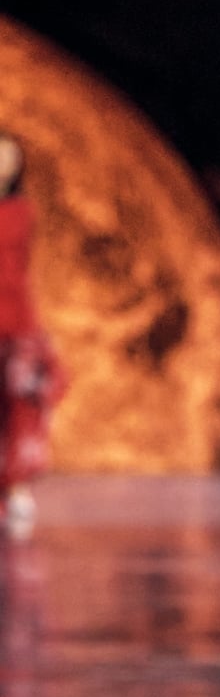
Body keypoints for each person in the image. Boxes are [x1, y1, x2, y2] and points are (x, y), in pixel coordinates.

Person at [0, 133, 65, 538]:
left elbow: (21, 273)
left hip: (14, 320)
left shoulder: (24, 212)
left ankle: (17, 488)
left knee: (21, 407)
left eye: (8, 158)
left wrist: (34, 329)